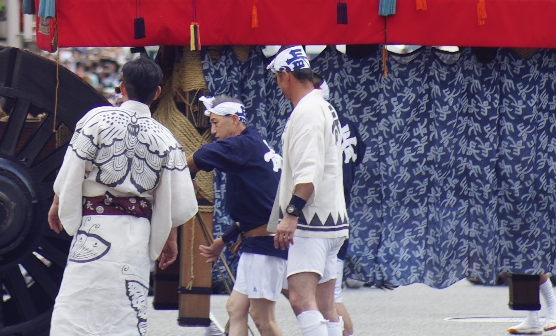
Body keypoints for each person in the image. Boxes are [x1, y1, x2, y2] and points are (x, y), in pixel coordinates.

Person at [46, 54, 196, 336]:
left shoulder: (96, 119)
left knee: (76, 312)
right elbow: (175, 200)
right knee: (126, 315)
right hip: (136, 235)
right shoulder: (166, 139)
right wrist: (169, 238)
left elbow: (72, 170)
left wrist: (57, 202)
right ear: (158, 93)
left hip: (95, 228)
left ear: (122, 87)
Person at [269, 47, 350, 336]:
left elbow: (308, 172)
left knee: (301, 299)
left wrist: (291, 214)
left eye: (278, 79)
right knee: (326, 304)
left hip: (311, 220)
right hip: (333, 219)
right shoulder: (324, 106)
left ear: (285, 76)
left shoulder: (307, 110)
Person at [191, 98, 285, 336]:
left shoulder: (242, 145)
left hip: (266, 243)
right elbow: (256, 206)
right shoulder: (252, 143)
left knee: (263, 318)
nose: (213, 131)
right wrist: (224, 240)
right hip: (257, 239)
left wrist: (179, 172)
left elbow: (202, 156)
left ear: (234, 120)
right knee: (236, 308)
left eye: (215, 123)